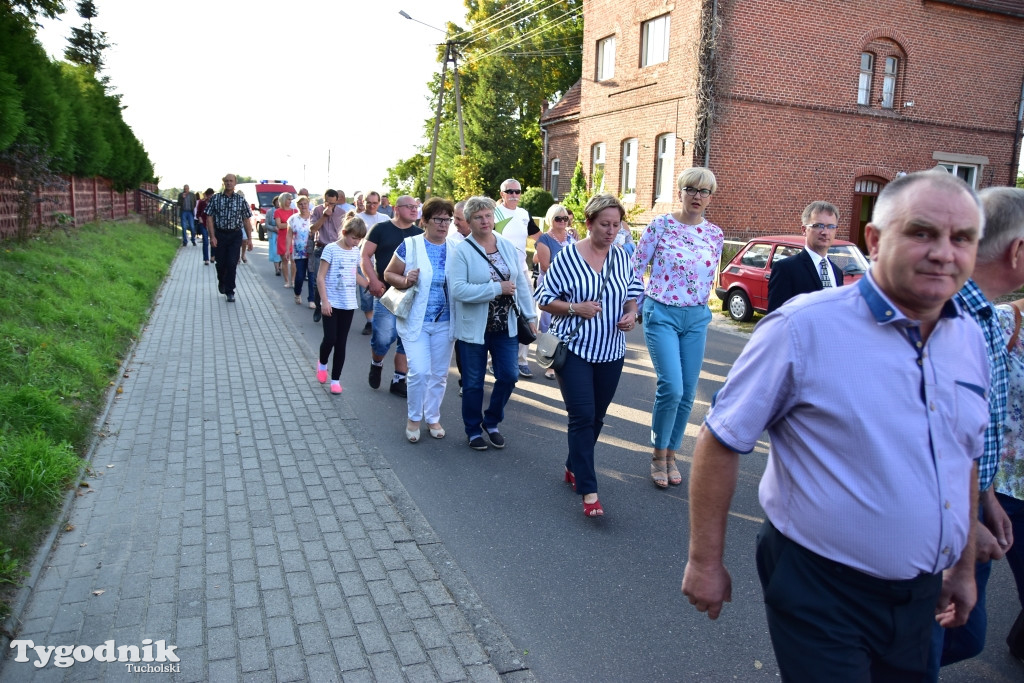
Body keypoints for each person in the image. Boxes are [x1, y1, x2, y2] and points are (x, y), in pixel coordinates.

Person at [681, 170, 990, 681]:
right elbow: (721, 438)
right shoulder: (804, 328)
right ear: (874, 239)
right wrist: (704, 561)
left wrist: (960, 566)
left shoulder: (970, 339)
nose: (943, 252)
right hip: (822, 588)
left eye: (962, 239)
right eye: (922, 233)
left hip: (922, 593)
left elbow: (965, 454)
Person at [930, 185, 1024, 676]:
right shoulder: (952, 314)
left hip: (970, 507)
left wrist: (987, 497)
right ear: (1018, 250)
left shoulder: (985, 314)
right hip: (942, 523)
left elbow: (978, 433)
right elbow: (939, 445)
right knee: (930, 640)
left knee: (960, 637)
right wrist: (965, 535)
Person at [536, 195, 642, 517]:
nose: (611, 231)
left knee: (597, 416)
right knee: (582, 415)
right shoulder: (568, 256)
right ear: (589, 223)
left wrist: (632, 314)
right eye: (605, 224)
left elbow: (634, 292)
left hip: (612, 350)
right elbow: (543, 298)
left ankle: (573, 465)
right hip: (576, 348)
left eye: (616, 225)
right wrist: (573, 308)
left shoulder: (623, 257)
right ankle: (589, 490)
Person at [631, 167, 724, 488]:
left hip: (696, 317)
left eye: (705, 192)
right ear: (681, 191)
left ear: (711, 197)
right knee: (671, 386)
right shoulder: (661, 226)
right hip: (663, 313)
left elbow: (708, 277)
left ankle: (672, 453)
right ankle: (658, 455)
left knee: (688, 393)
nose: (698, 197)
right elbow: (635, 268)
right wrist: (636, 306)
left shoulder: (715, 234)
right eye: (692, 189)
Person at [450, 196, 538, 451]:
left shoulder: (507, 246)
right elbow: (458, 290)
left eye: (488, 215)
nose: (484, 221)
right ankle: (472, 429)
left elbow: (520, 282)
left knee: (509, 376)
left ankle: (492, 421)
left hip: (506, 326)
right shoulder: (462, 251)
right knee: (474, 383)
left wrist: (531, 317)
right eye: (478, 217)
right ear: (469, 221)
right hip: (473, 329)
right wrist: (495, 288)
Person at [383, 197, 459, 443]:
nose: (443, 224)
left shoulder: (456, 248)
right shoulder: (410, 245)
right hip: (416, 321)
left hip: (446, 323)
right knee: (420, 372)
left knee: (439, 374)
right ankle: (414, 419)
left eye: (447, 220)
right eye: (438, 219)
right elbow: (388, 273)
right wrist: (405, 280)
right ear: (424, 221)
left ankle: (433, 417)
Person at [361, 195, 424, 397]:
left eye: (416, 207)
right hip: (387, 293)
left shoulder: (420, 234)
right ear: (397, 209)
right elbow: (365, 256)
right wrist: (373, 280)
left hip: (412, 294)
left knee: (406, 340)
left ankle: (398, 380)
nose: (415, 210)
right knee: (383, 338)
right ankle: (376, 362)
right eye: (409, 207)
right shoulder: (381, 229)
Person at [493, 178, 541, 378]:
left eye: (517, 191)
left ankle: (522, 359)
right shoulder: (493, 212)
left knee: (529, 314)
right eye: (509, 191)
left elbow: (539, 236)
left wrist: (563, 235)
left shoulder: (523, 214)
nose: (514, 195)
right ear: (502, 194)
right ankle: (493, 360)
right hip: (496, 272)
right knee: (496, 317)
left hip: (521, 271)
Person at [316, 213, 368, 395]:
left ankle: (335, 379)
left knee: (341, 343)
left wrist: (371, 285)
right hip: (331, 302)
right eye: (354, 238)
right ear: (345, 232)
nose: (356, 242)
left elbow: (354, 274)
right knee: (330, 338)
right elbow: (320, 277)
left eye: (360, 239)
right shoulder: (330, 249)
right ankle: (322, 364)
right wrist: (324, 301)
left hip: (348, 303)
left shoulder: (355, 251)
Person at [766, 201, 845, 313]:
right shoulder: (786, 269)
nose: (825, 232)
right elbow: (776, 319)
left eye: (831, 227)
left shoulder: (837, 272)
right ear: (804, 230)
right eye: (818, 226)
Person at [535, 203, 576, 380]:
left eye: (565, 218)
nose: (562, 221)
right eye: (558, 218)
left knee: (567, 321)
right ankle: (549, 362)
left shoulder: (573, 237)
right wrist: (569, 271)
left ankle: (566, 358)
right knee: (549, 324)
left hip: (571, 286)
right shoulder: (545, 239)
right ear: (550, 220)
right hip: (552, 285)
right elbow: (545, 266)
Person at [205, 173, 253, 303]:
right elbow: (209, 217)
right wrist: (212, 236)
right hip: (220, 234)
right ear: (223, 183)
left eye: (231, 181)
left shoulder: (240, 200)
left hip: (235, 235)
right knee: (221, 264)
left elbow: (246, 219)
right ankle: (222, 281)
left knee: (232, 263)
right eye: (226, 181)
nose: (229, 183)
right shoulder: (216, 198)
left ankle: (230, 291)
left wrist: (249, 239)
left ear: (235, 183)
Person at [357, 191, 390, 335]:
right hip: (364, 261)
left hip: (382, 262)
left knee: (383, 292)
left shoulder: (385, 219)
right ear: (363, 202)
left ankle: (382, 322)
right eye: (368, 202)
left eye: (375, 203)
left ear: (379, 203)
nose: (372, 205)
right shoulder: (357, 218)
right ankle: (369, 321)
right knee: (367, 294)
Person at [311, 189, 345, 323]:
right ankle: (318, 305)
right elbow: (312, 229)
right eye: (327, 202)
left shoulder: (342, 213)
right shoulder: (317, 210)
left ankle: (333, 307)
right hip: (321, 247)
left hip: (336, 250)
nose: (330, 205)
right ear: (323, 199)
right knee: (319, 279)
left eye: (332, 203)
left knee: (335, 280)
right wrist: (324, 216)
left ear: (337, 200)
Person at [289, 196, 314, 307]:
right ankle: (297, 293)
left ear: (308, 204)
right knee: (299, 276)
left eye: (305, 203)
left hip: (312, 251)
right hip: (299, 252)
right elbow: (289, 235)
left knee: (312, 276)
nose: (303, 206)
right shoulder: (293, 219)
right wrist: (287, 250)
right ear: (297, 205)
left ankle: (311, 300)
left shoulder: (313, 217)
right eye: (300, 204)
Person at [274, 192, 297, 287]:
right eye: (288, 199)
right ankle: (286, 281)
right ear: (283, 200)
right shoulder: (278, 211)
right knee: (284, 260)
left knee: (294, 260)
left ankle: (293, 280)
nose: (290, 201)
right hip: (282, 238)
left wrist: (286, 225)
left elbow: (297, 224)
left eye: (291, 199)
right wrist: (290, 225)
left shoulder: (295, 211)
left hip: (293, 238)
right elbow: (279, 225)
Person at [195, 188, 214, 265]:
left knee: (213, 240)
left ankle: (213, 256)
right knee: (205, 241)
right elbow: (198, 213)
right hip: (203, 224)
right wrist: (200, 219)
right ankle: (206, 259)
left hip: (212, 224)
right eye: (209, 195)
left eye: (211, 195)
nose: (210, 197)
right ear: (206, 195)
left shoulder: (214, 203)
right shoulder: (202, 202)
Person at [266, 196, 282, 276]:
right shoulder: (270, 212)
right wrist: (273, 228)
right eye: (277, 201)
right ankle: (277, 269)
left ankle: (280, 266)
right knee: (275, 252)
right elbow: (266, 224)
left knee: (281, 251)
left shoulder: (284, 211)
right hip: (273, 235)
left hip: (282, 234)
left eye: (280, 201)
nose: (278, 203)